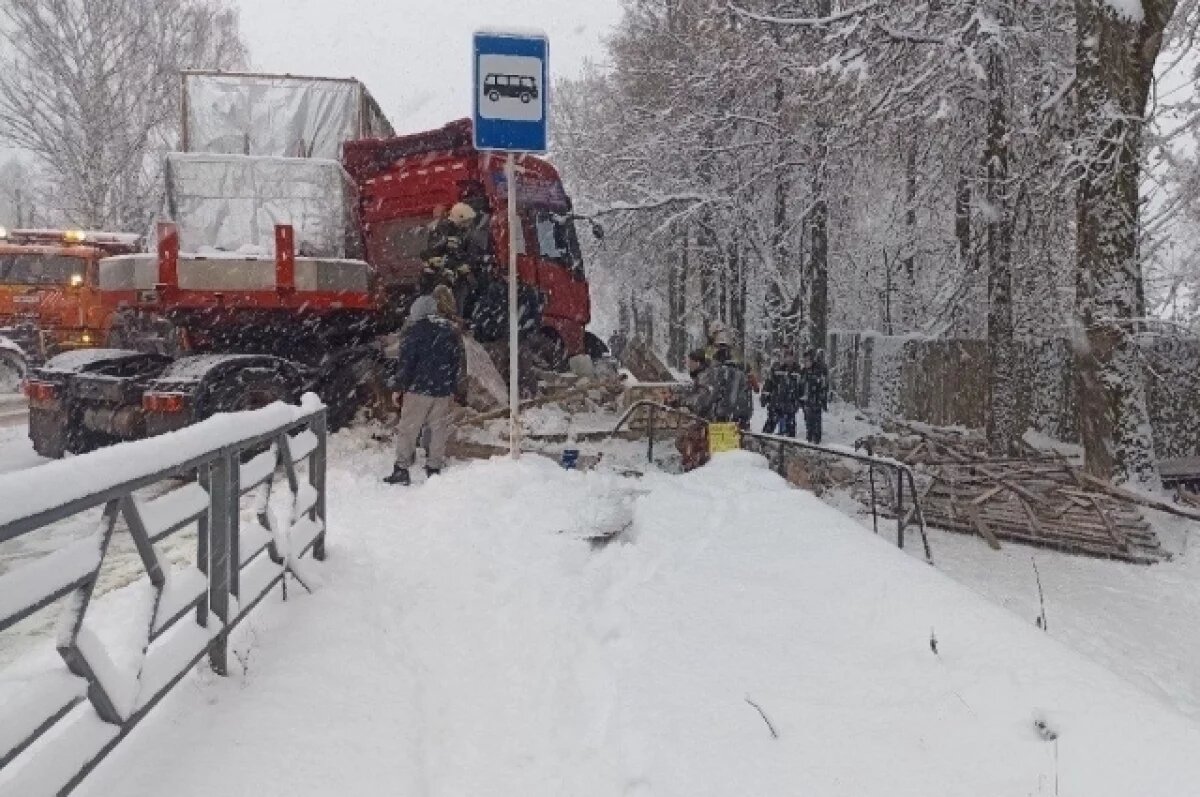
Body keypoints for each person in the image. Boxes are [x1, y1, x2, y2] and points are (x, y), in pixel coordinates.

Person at [384, 285, 466, 486]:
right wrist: (453, 388)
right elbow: (457, 362)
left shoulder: (414, 331)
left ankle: (402, 469)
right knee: (438, 429)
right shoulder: (450, 330)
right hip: (443, 389)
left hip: (419, 389)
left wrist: (399, 387)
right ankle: (434, 468)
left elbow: (407, 362)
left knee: (408, 429)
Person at [706, 343, 753, 430]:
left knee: (722, 441)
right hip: (740, 418)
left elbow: (714, 395)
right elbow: (748, 395)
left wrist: (706, 408)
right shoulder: (741, 374)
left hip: (724, 418)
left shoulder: (720, 373)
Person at [761, 348, 803, 437]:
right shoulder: (778, 369)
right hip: (776, 403)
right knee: (769, 426)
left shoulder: (798, 371)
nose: (788, 359)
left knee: (790, 430)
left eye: (790, 357)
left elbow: (802, 387)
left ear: (793, 358)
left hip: (790, 404)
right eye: (786, 357)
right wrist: (765, 395)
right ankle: (763, 442)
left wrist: (799, 402)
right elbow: (769, 383)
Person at [800, 348, 830, 444]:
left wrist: (822, 399)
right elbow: (800, 385)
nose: (805, 362)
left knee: (816, 422)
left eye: (807, 360)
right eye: (804, 361)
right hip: (806, 401)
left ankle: (816, 440)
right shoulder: (804, 371)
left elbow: (823, 386)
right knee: (808, 422)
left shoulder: (818, 371)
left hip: (816, 400)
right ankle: (809, 439)